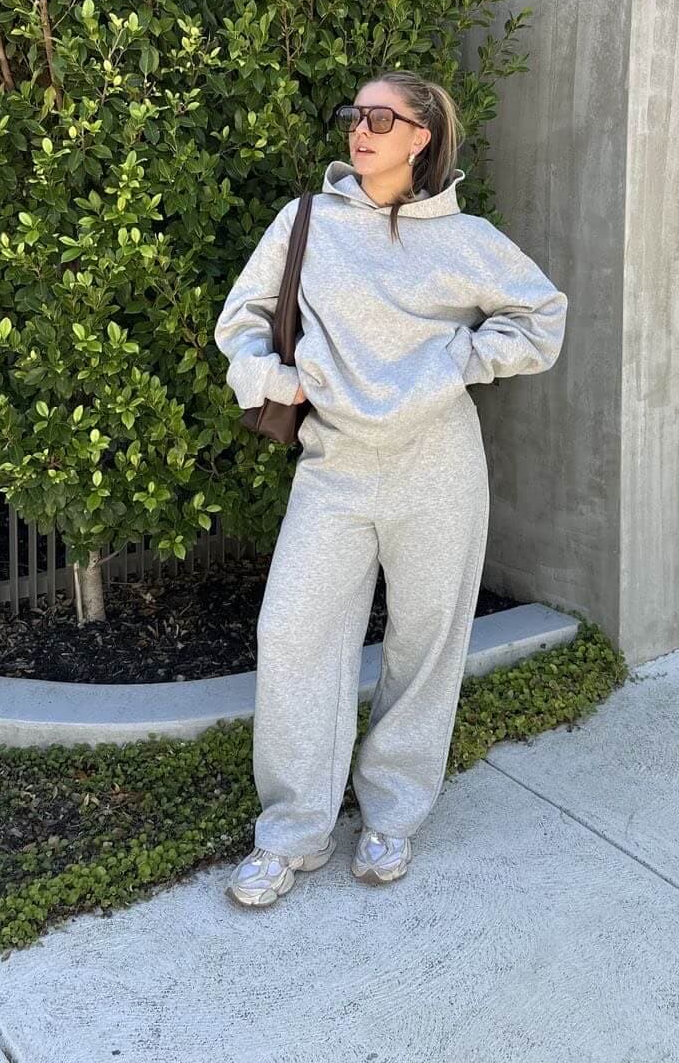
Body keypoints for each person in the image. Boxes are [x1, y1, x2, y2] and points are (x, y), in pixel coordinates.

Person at [212, 69, 568, 908]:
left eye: (382, 118)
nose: (361, 130)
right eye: (355, 115)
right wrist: (277, 379)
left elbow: (542, 318)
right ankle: (292, 831)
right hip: (333, 467)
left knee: (425, 640)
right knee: (293, 633)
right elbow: (242, 321)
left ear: (421, 136)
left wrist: (459, 360)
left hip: (438, 466)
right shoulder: (307, 221)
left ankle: (393, 813)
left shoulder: (467, 239)